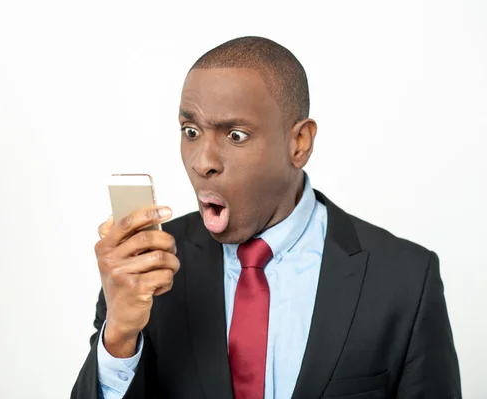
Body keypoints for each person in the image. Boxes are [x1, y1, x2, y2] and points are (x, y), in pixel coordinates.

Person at [70, 36, 461, 399]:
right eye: (190, 130)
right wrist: (119, 336)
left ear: (299, 143)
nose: (202, 162)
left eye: (235, 135)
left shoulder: (405, 278)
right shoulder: (143, 270)